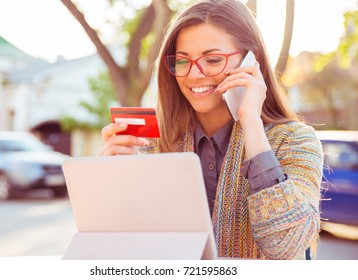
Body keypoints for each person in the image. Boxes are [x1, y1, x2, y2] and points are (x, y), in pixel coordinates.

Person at [99, 0, 323, 260]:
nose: (193, 75)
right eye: (182, 61)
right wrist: (112, 187)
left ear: (252, 60)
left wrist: (251, 121)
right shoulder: (148, 145)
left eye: (213, 59)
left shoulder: (296, 142)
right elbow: (128, 253)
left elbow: (286, 247)